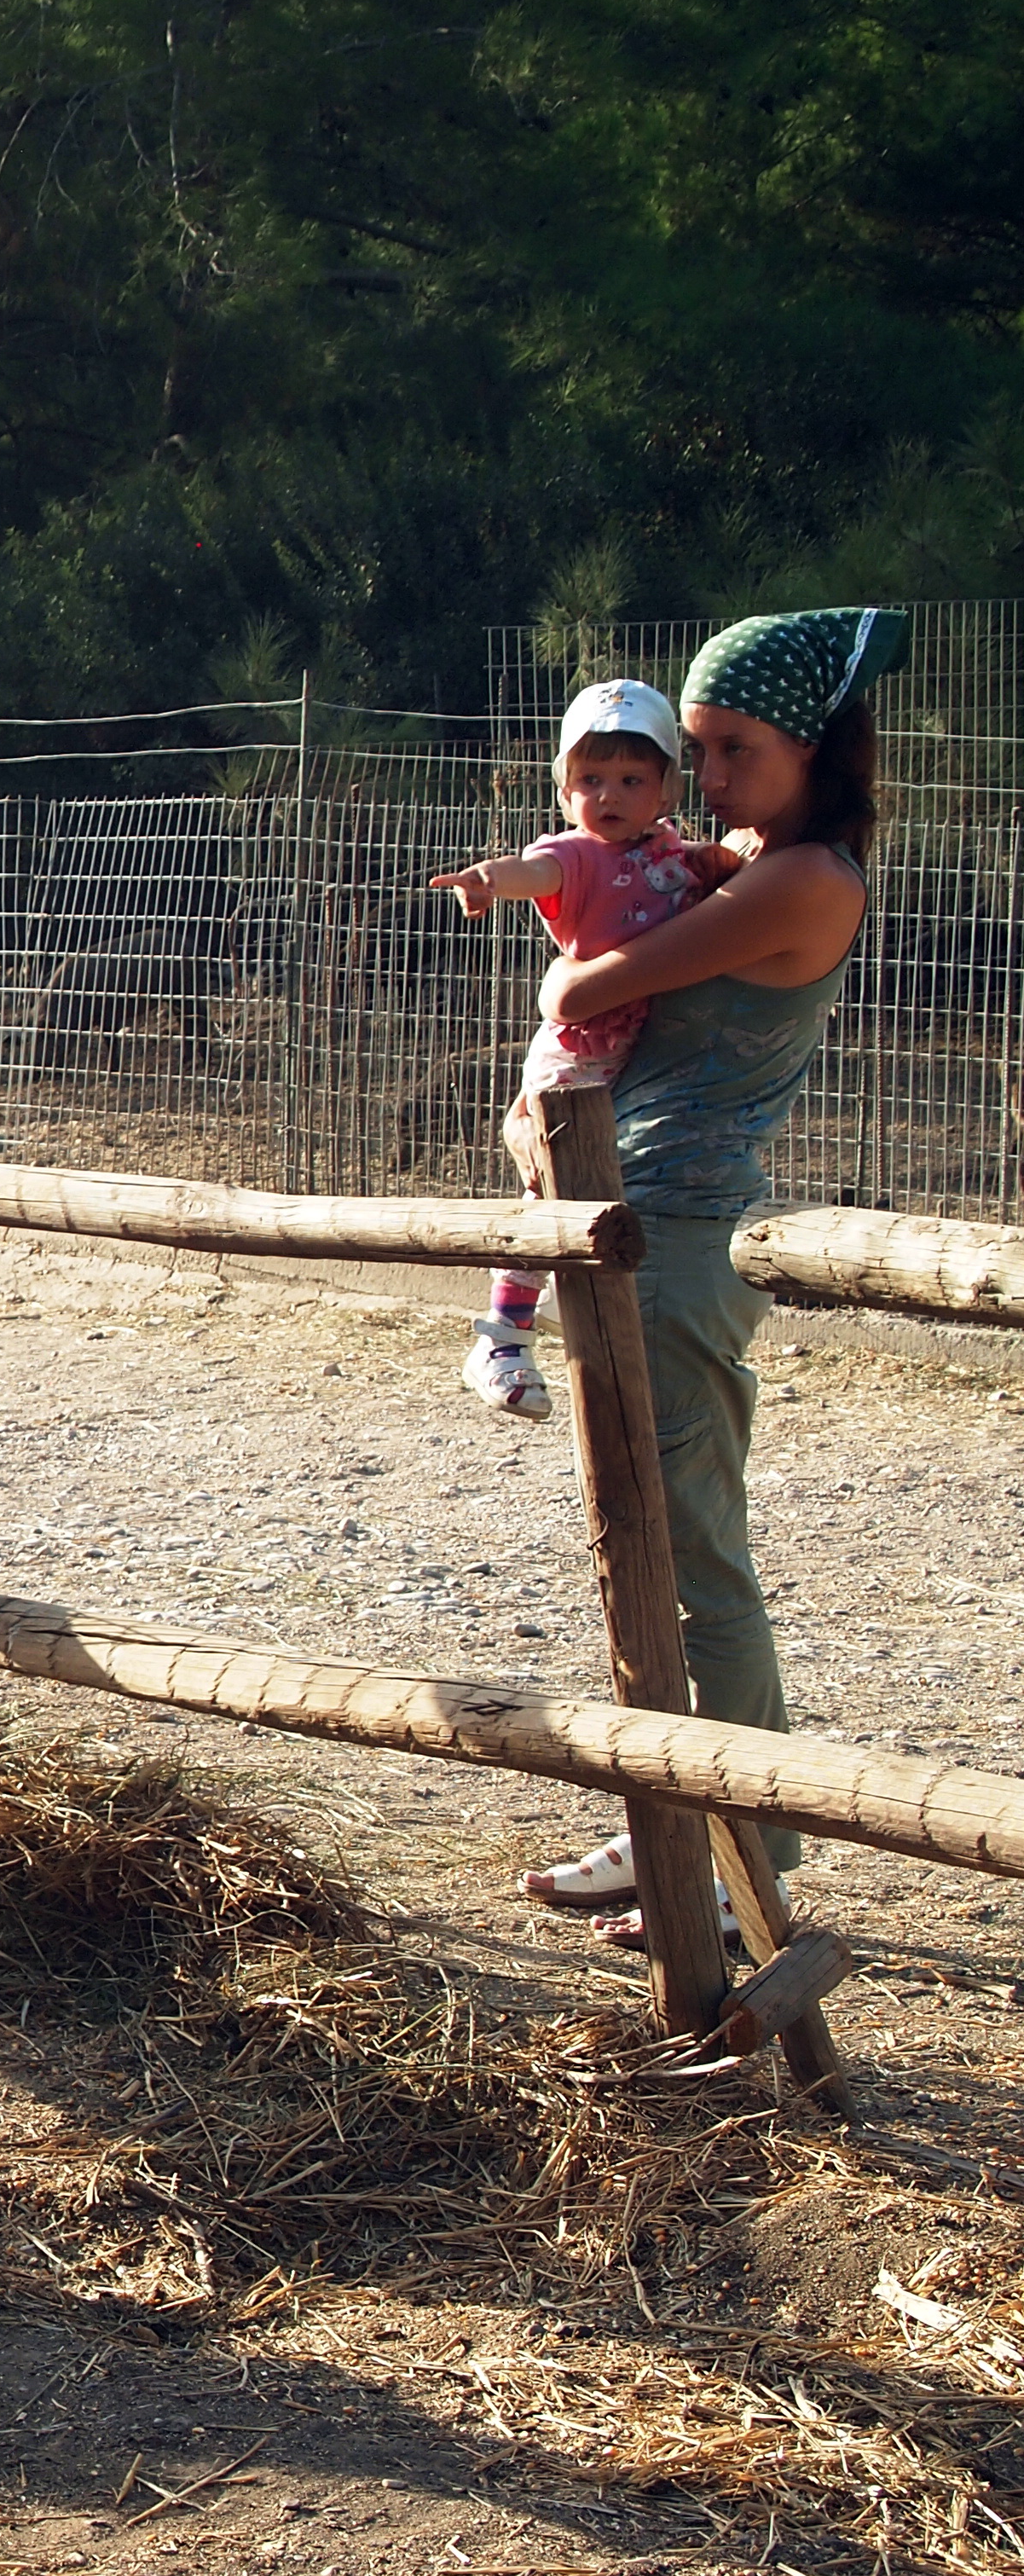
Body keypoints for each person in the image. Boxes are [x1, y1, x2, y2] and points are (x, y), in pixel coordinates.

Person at [505, 606, 905, 1950]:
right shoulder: (730, 861)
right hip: (619, 1217)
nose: (711, 778)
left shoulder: (805, 881)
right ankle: (671, 1828)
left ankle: (750, 1866)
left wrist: (596, 904)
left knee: (696, 1570)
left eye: (737, 751)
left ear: (816, 748)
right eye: (701, 750)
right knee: (639, 1545)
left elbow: (580, 991)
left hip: (676, 1242)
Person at [431, 679, 736, 1421]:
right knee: (553, 1188)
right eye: (591, 779)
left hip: (645, 1053)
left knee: (621, 1188)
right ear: (565, 792)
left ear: (665, 787)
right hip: (580, 1056)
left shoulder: (674, 852)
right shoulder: (576, 856)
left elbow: (715, 874)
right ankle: (503, 1335)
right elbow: (533, 871)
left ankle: (569, 1311)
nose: (609, 796)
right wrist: (488, 881)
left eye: (631, 780)